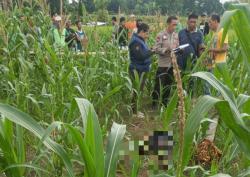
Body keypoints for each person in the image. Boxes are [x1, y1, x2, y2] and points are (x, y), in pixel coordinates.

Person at [152, 16, 179, 108]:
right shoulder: (161, 35)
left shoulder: (176, 35)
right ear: (168, 24)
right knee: (158, 84)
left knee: (169, 85)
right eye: (173, 24)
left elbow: (177, 46)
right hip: (163, 64)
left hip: (172, 64)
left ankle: (164, 103)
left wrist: (179, 50)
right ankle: (154, 103)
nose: (175, 26)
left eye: (176, 25)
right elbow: (155, 49)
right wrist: (165, 50)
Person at [129, 23, 155, 117]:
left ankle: (135, 110)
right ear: (142, 32)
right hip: (137, 70)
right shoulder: (136, 42)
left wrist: (150, 50)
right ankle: (134, 112)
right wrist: (152, 52)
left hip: (142, 69)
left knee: (138, 90)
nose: (147, 36)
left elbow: (143, 52)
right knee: (136, 90)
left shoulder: (140, 40)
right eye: (147, 33)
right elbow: (140, 56)